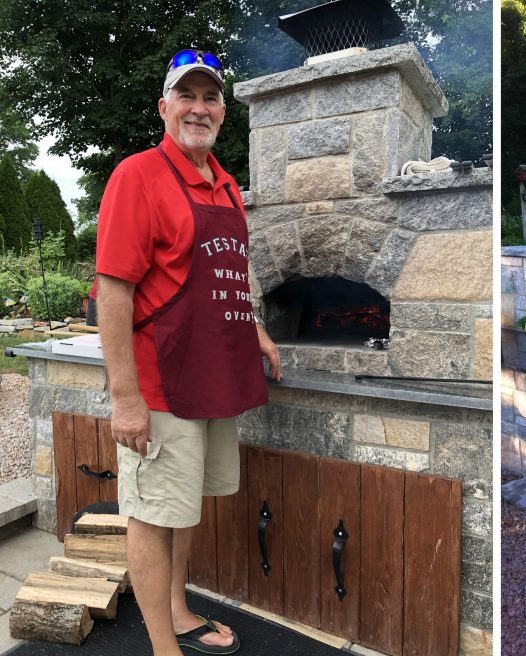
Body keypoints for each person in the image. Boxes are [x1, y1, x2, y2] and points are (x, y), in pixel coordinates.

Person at [96, 49, 282, 656]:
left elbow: (226, 274)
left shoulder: (225, 184)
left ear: (222, 113)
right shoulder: (137, 176)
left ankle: (176, 610)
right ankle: (161, 647)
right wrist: (126, 399)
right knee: (152, 514)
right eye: (186, 96)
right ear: (165, 107)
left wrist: (253, 329)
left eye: (209, 99)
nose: (197, 109)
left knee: (185, 505)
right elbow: (115, 292)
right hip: (162, 383)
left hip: (214, 376)